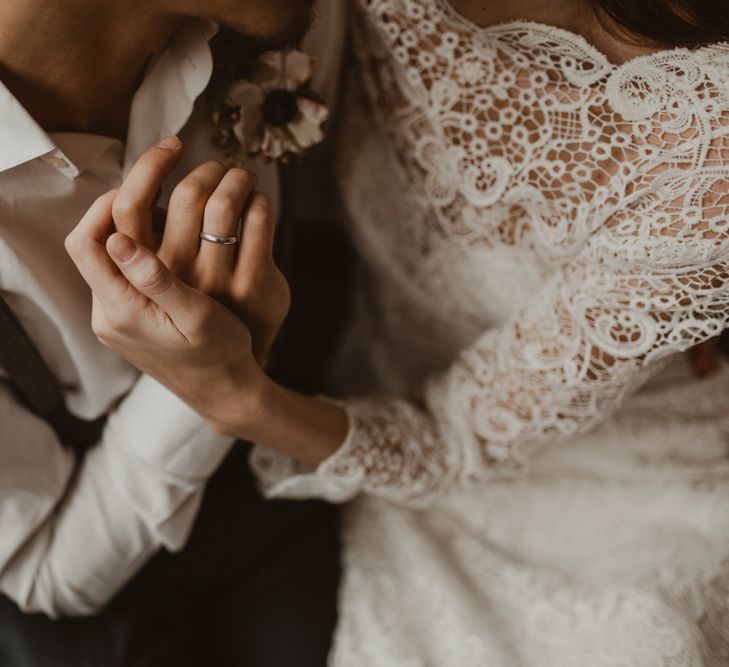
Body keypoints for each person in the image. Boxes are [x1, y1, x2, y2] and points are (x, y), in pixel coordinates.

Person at [68, 0, 729, 664]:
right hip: (367, 362)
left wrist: (235, 397)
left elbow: (448, 442)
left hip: (603, 471)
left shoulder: (710, 146)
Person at [0, 0, 344, 665]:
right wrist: (205, 383)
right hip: (103, 571)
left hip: (314, 445)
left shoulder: (286, 25)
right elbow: (42, 568)